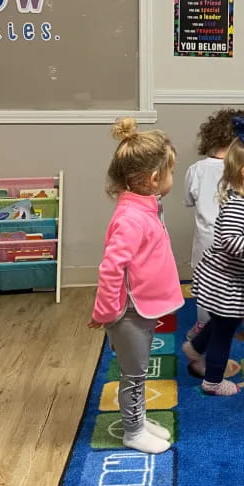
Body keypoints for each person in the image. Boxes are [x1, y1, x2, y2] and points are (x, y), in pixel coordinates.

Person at [89, 117, 184, 454]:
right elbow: (111, 268)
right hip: (127, 311)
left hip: (140, 307)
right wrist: (105, 312)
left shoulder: (144, 209)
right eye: (171, 171)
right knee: (133, 373)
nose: (173, 177)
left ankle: (139, 421)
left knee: (139, 371)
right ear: (155, 178)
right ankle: (132, 430)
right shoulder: (131, 218)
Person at [183, 118, 244, 395]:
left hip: (229, 275)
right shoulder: (240, 203)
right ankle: (213, 381)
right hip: (223, 277)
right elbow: (229, 241)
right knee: (225, 329)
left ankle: (195, 346)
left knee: (222, 320)